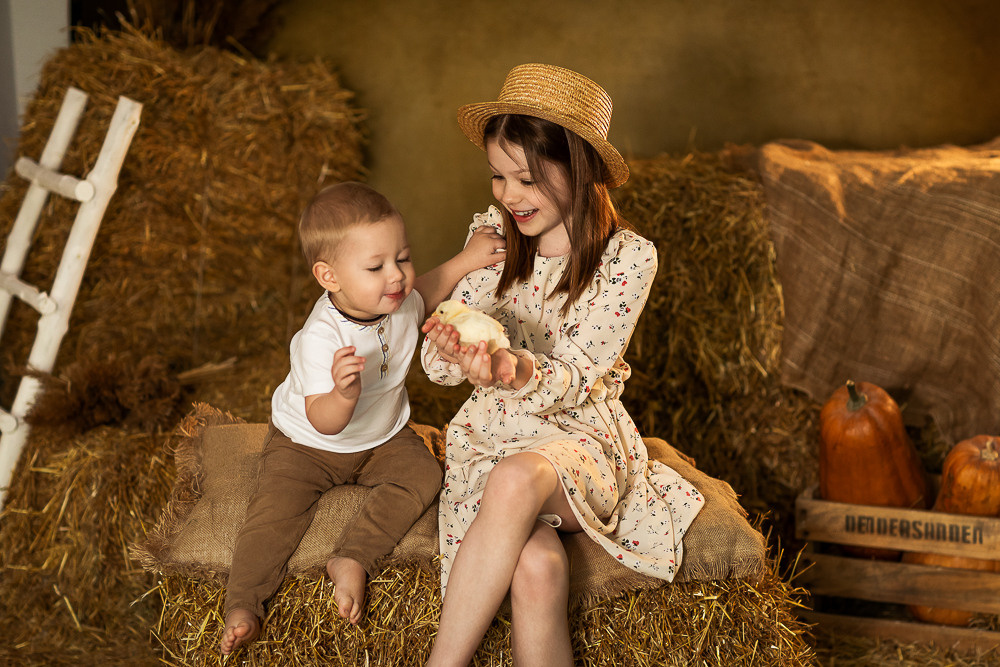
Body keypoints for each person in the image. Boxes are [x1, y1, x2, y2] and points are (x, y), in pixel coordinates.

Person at [420, 64, 704, 666]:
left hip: (576, 443)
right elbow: (440, 366)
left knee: (519, 478)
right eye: (498, 177)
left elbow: (577, 373)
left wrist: (510, 371)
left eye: (525, 179)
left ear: (582, 169)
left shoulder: (627, 259)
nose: (508, 196)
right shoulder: (490, 237)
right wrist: (453, 351)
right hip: (491, 440)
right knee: (537, 563)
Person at [220, 181, 505, 656]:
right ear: (329, 277)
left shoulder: (395, 300)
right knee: (272, 517)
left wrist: (468, 258)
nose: (397, 276)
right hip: (308, 445)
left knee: (423, 474)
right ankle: (243, 604)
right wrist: (342, 394)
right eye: (376, 267)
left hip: (383, 439)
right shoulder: (320, 337)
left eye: (403, 257)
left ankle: (352, 557)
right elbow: (324, 420)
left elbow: (428, 290)